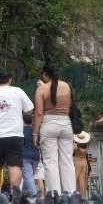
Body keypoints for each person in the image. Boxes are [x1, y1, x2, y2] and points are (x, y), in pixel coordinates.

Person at [0, 72, 34, 193]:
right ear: (10, 80)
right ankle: (15, 194)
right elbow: (30, 109)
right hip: (14, 134)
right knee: (14, 165)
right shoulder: (18, 91)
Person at [34, 64, 75, 194]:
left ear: (45, 75)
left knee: (50, 163)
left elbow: (39, 113)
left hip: (49, 124)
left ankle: (54, 195)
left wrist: (35, 133)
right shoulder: (66, 86)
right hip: (66, 123)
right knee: (67, 161)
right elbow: (70, 105)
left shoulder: (41, 89)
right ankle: (70, 194)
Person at [20, 115, 39, 198]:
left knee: (28, 176)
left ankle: (34, 194)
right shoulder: (35, 131)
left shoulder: (21, 131)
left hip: (25, 156)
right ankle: (24, 194)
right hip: (36, 156)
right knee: (29, 176)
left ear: (23, 121)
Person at [73, 131, 92, 196]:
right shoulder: (86, 146)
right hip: (85, 163)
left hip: (77, 163)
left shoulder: (76, 148)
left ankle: (75, 195)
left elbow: (72, 153)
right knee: (83, 180)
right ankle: (82, 196)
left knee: (75, 180)